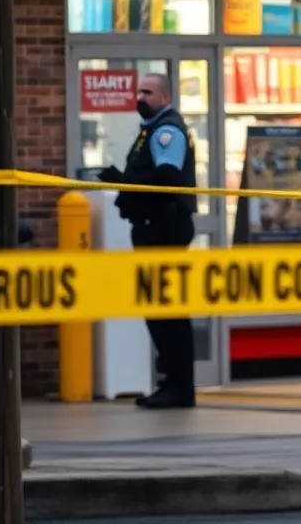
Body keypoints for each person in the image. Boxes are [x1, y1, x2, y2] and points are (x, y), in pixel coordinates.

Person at [98, 72, 198, 409]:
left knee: (166, 311)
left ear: (166, 97)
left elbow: (167, 178)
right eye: (139, 91)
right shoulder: (151, 130)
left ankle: (179, 387)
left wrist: (125, 181)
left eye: (149, 92)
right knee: (158, 310)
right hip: (152, 227)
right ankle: (173, 383)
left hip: (163, 229)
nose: (141, 97)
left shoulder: (166, 131)